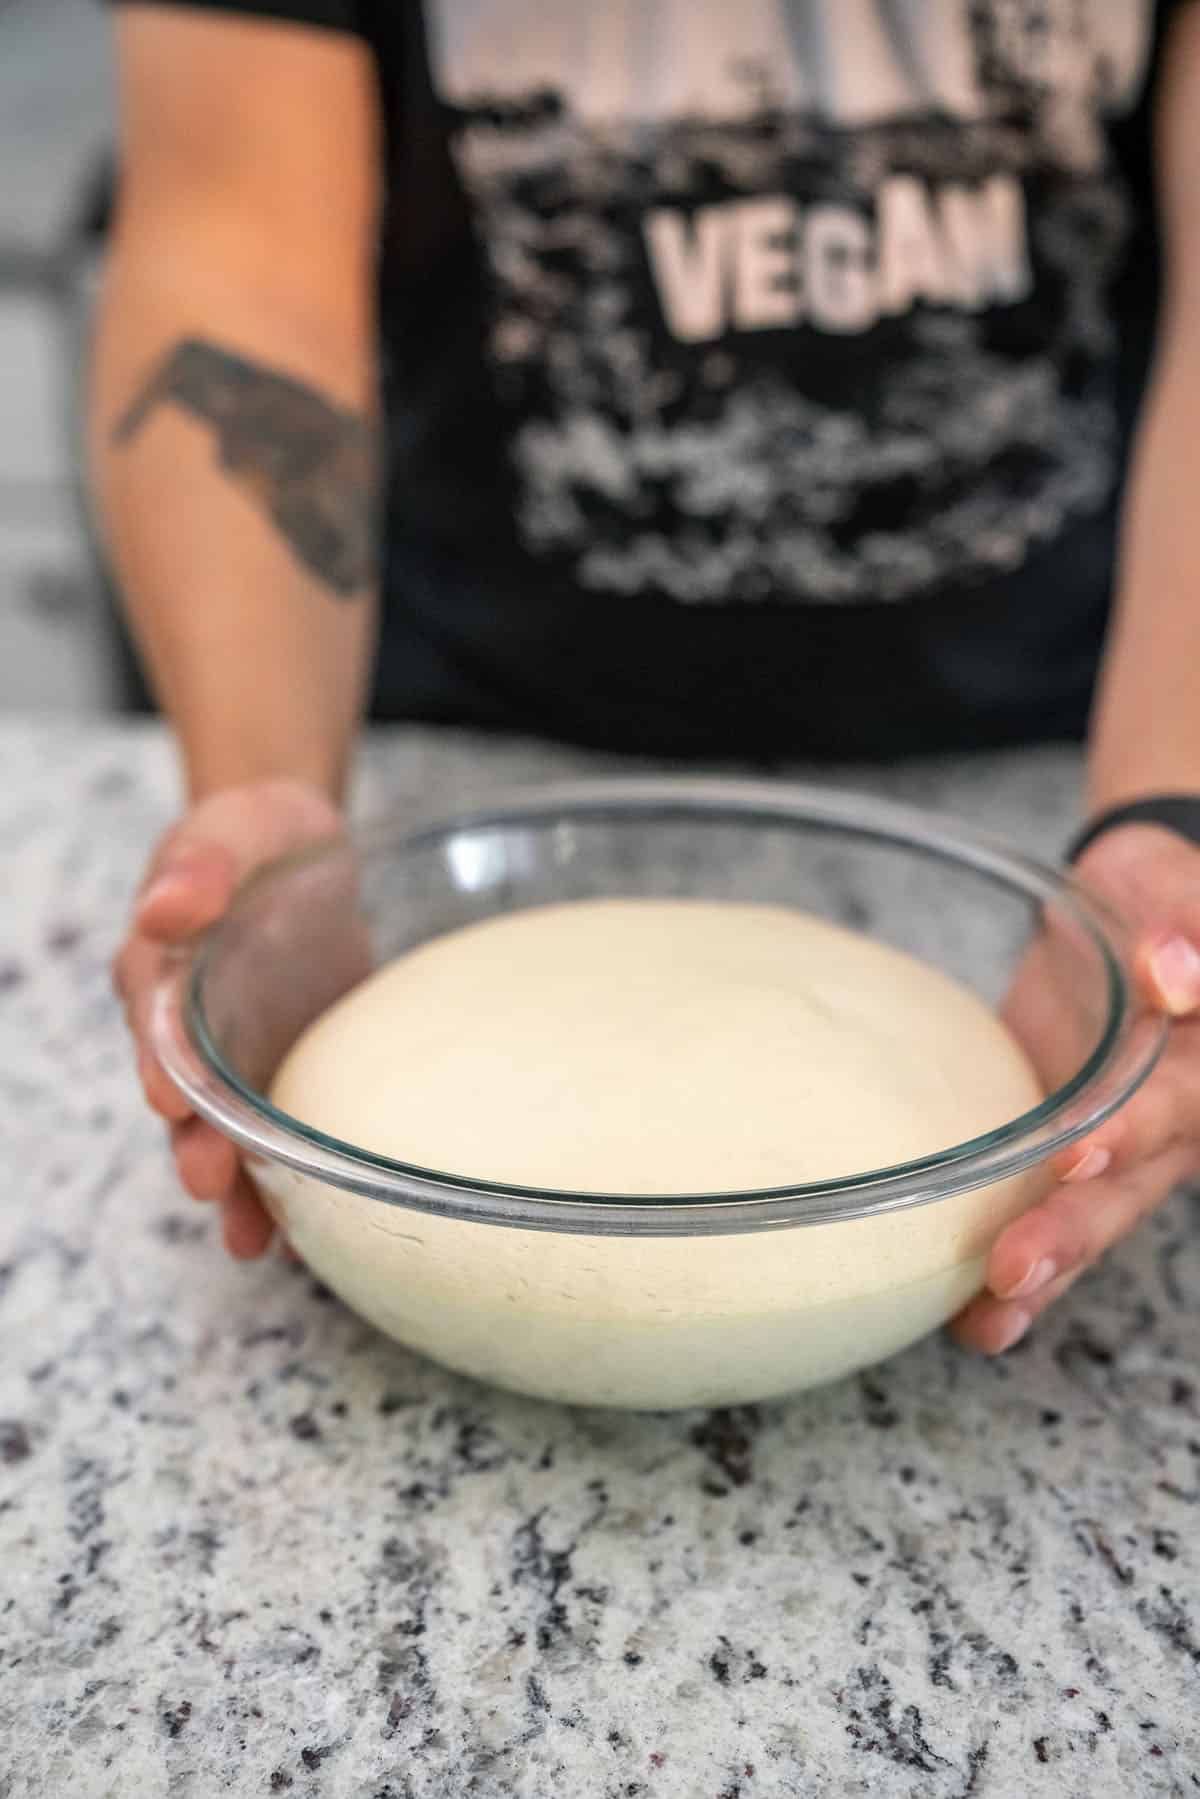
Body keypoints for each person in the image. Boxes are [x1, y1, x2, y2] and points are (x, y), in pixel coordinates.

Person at [98, 1, 1200, 1357]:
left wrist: (1171, 821)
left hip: (1076, 718)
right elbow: (238, 256)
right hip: (458, 744)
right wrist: (267, 820)